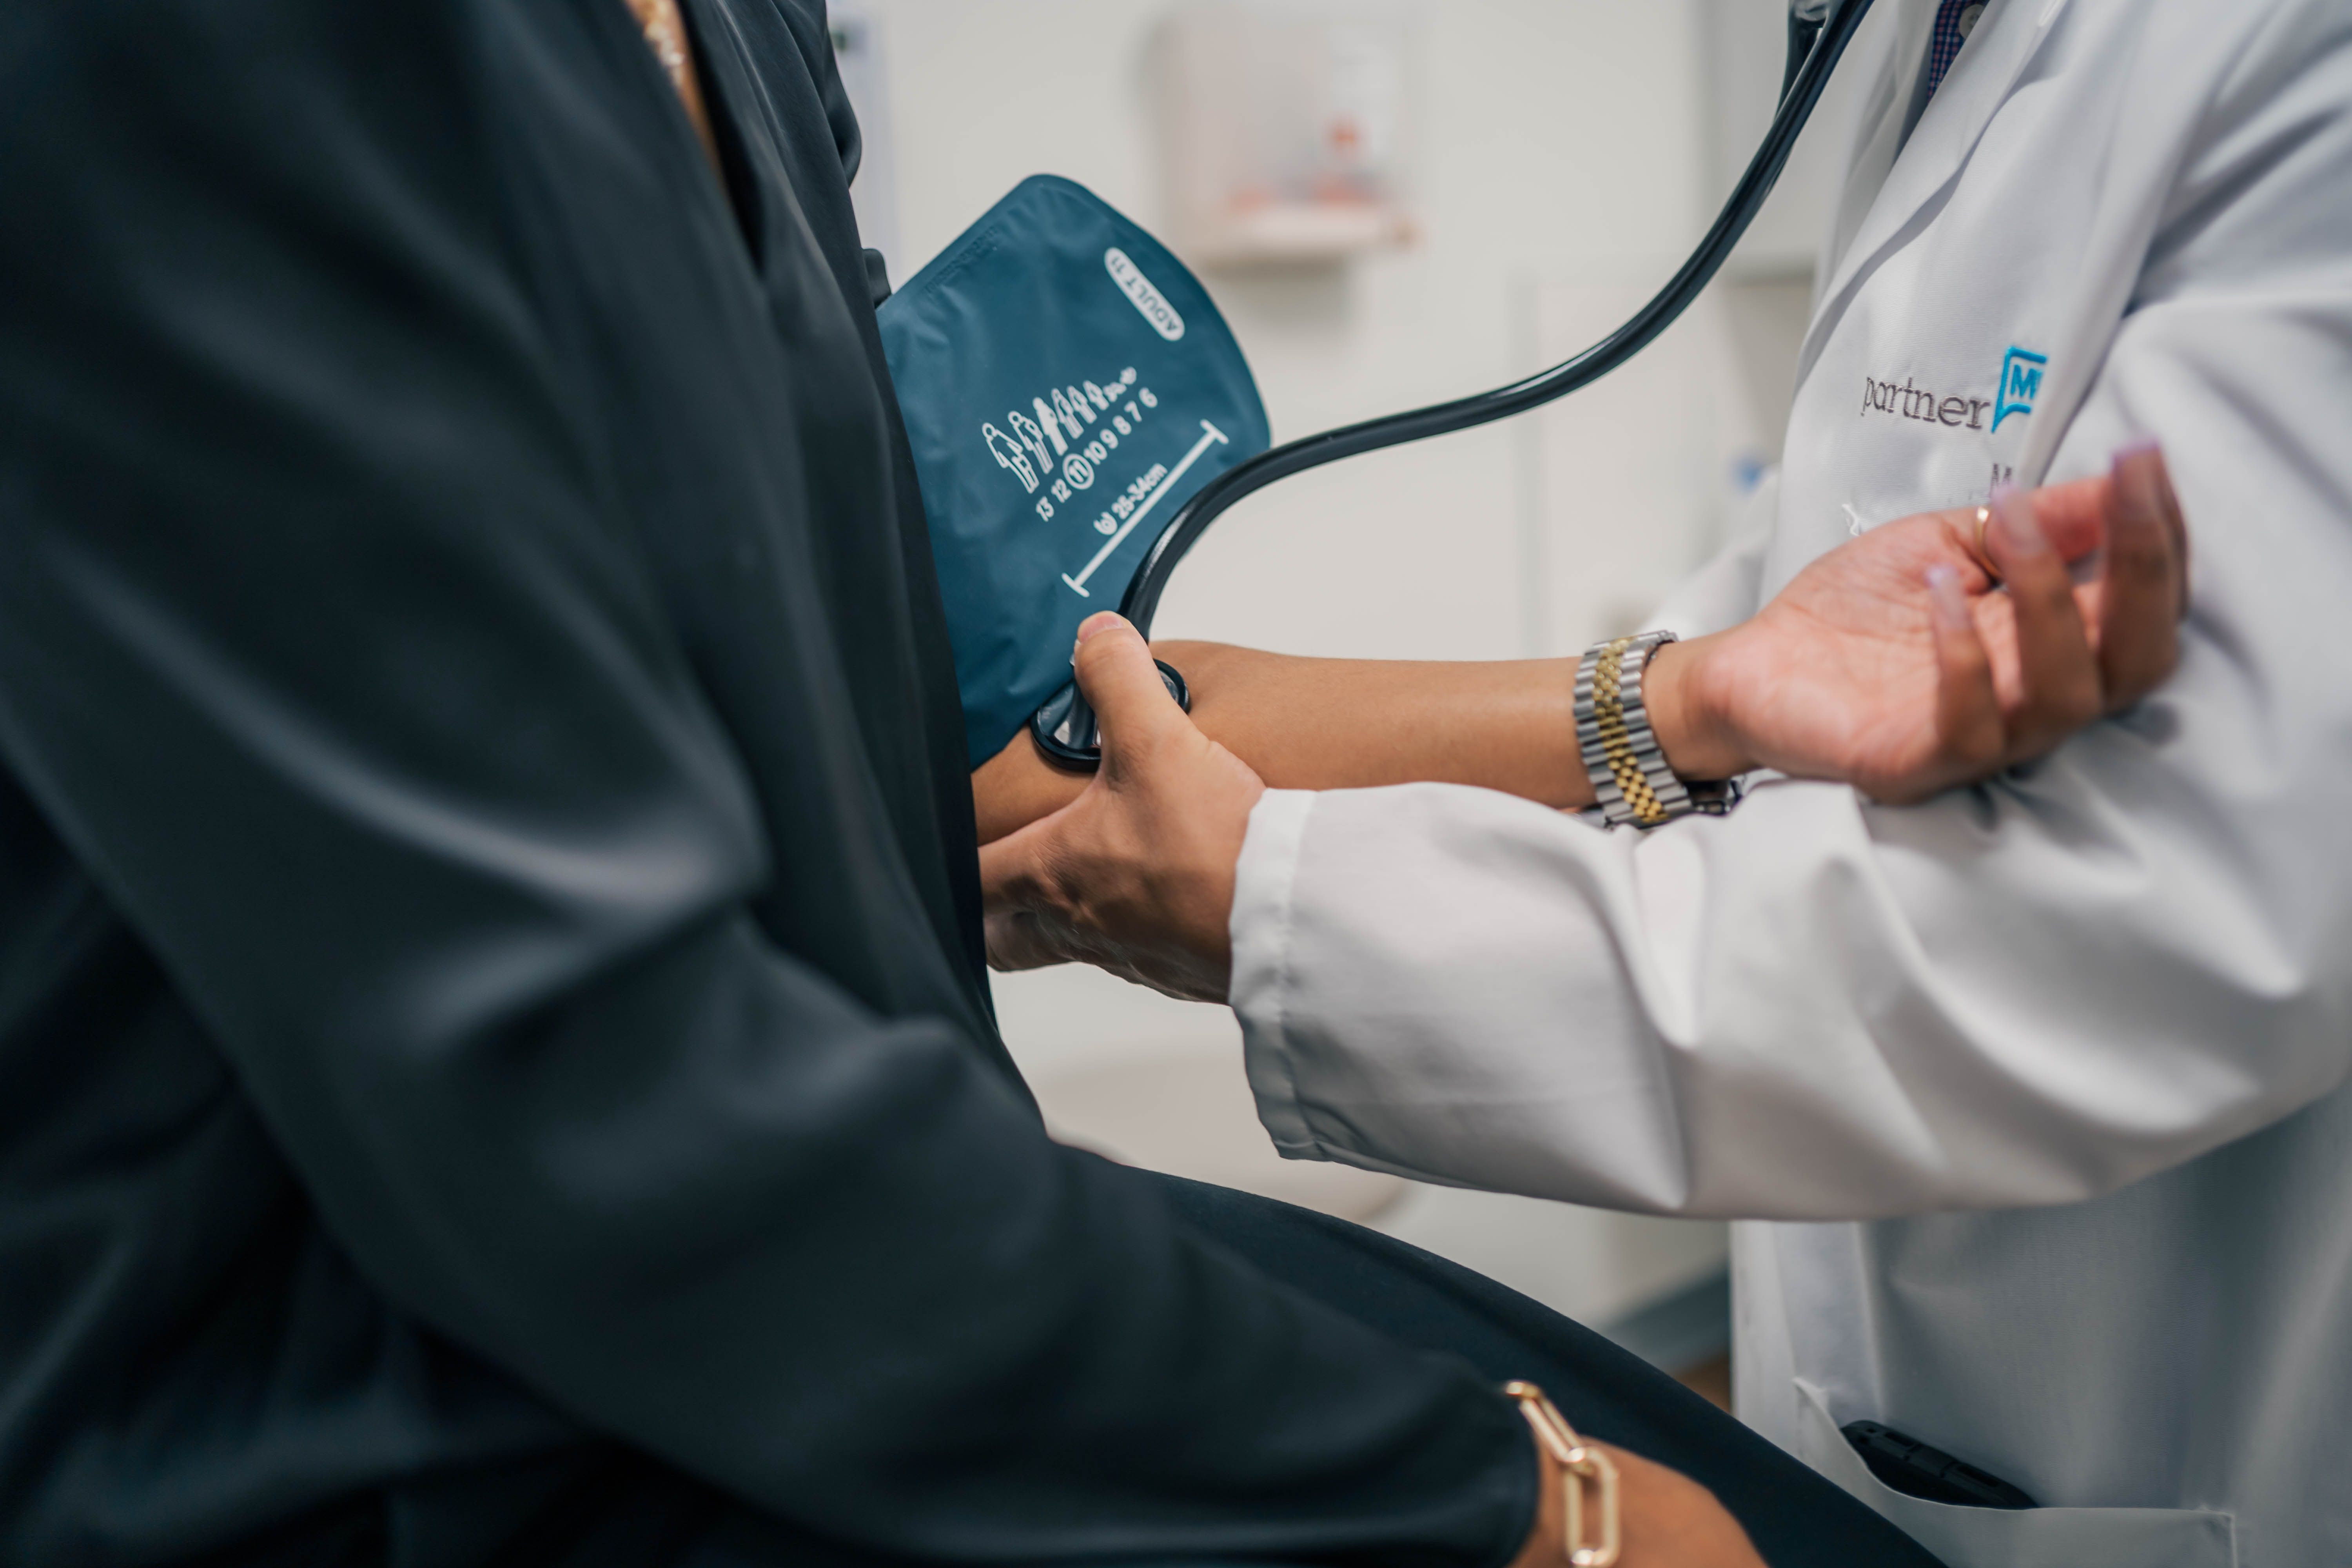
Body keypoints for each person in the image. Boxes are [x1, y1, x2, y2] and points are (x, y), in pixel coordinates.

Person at [0, 2, 2173, 1566]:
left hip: (811, 1310)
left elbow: (939, 729)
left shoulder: (741, 43)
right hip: (420, 1439)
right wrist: (1539, 1511)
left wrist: (1698, 697)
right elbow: (608, 1112)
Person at [979, 1, 2352, 1564]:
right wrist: (1692, 691)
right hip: (1892, 1367)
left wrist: (1269, 908)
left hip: (2185, 1390)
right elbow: (1801, 633)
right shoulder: (1932, 43)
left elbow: (2182, 916)